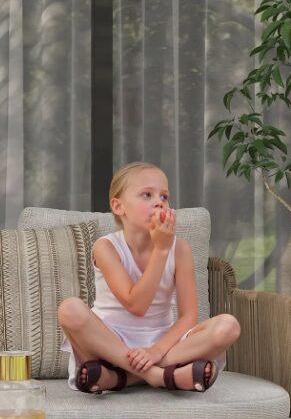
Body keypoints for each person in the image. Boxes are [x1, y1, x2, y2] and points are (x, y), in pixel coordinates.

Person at [57, 162, 241, 393]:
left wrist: (156, 351)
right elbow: (137, 305)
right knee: (69, 309)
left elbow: (189, 317)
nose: (159, 202)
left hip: (163, 343)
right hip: (110, 343)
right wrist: (161, 251)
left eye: (164, 196)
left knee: (228, 327)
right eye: (147, 195)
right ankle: (160, 376)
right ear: (118, 206)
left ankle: (120, 379)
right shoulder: (106, 248)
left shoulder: (180, 249)